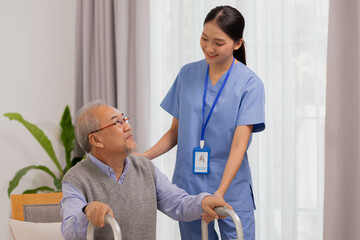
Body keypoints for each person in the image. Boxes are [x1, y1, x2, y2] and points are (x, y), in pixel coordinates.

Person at [136, 5, 265, 240]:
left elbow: (239, 145)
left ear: (237, 43)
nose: (209, 47)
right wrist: (145, 157)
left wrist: (220, 192)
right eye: (204, 38)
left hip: (230, 188)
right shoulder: (187, 74)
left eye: (218, 42)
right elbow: (175, 132)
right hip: (189, 186)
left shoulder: (250, 85)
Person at [60, 100, 231, 240]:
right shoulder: (76, 178)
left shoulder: (145, 167)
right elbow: (69, 232)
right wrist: (87, 212)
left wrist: (203, 201)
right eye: (117, 123)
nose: (128, 127)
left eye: (125, 120)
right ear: (96, 139)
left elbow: (178, 203)